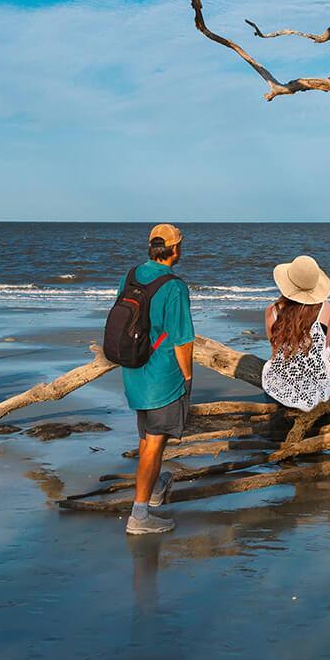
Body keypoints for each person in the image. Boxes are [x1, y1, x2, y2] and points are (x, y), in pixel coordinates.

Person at [122, 223, 194, 536]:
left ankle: (151, 491)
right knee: (154, 442)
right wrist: (188, 377)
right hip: (161, 374)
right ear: (175, 249)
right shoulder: (175, 287)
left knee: (147, 437)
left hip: (134, 367)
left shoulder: (132, 274)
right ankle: (140, 515)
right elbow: (182, 339)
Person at [261, 254, 330, 412]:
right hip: (315, 379)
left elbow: (274, 347)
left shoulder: (272, 311)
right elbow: (325, 345)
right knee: (324, 350)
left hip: (284, 378)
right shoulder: (325, 308)